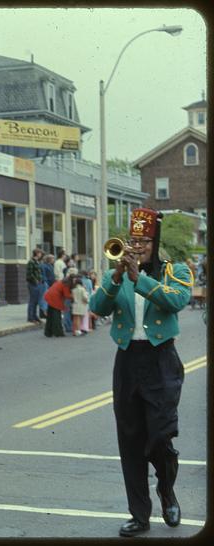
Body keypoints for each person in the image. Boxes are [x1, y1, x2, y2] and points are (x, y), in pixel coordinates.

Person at [89, 208, 191, 537]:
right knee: (130, 440)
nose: (136, 247)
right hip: (127, 360)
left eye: (143, 242)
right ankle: (139, 514)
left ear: (154, 242)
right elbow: (97, 307)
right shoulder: (115, 274)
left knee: (161, 436)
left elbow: (177, 300)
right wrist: (117, 277)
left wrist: (139, 279)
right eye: (132, 241)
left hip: (161, 359)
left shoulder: (173, 271)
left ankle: (166, 490)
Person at [43, 269, 78, 337]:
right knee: (56, 317)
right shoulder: (67, 284)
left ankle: (48, 332)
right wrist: (75, 296)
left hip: (50, 295)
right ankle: (58, 332)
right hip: (55, 298)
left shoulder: (63, 281)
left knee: (50, 316)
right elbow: (67, 295)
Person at [26, 248, 44, 323]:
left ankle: (35, 316)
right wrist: (35, 280)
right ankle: (31, 317)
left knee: (36, 301)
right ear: (36, 253)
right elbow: (29, 274)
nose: (41, 255)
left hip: (39, 283)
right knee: (32, 301)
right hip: (33, 284)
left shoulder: (38, 262)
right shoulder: (31, 262)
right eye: (40, 253)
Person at [39, 254, 56, 319]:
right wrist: (46, 282)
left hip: (51, 284)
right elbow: (44, 275)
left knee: (48, 299)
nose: (54, 260)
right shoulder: (44, 266)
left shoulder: (51, 266)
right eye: (53, 259)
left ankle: (46, 312)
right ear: (49, 259)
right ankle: (42, 313)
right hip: (47, 284)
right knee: (44, 299)